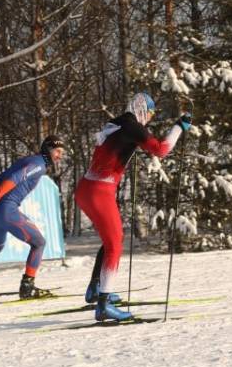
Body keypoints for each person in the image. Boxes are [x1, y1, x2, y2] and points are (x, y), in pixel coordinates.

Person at [75, 92, 191, 322]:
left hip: (86, 188)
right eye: (150, 113)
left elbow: (119, 145)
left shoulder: (118, 122)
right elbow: (161, 149)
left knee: (111, 240)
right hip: (100, 190)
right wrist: (179, 127)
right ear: (141, 109)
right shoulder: (132, 126)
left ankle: (96, 288)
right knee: (115, 244)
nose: (149, 118)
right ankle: (103, 305)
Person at [0, 135, 67, 300]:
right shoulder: (39, 165)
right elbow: (15, 178)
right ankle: (27, 287)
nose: (60, 156)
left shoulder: (28, 160)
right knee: (39, 243)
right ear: (48, 149)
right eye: (57, 151)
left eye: (62, 152)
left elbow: (0, 178)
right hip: (7, 211)